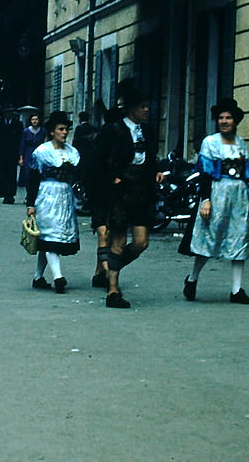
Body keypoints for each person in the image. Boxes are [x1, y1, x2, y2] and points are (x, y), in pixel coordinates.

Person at [92, 83, 162, 308]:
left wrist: (156, 172)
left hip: (142, 190)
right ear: (131, 108)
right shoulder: (113, 130)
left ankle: (112, 266)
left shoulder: (148, 131)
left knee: (141, 242)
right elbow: (97, 162)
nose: (147, 110)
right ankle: (113, 291)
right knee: (118, 239)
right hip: (120, 190)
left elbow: (151, 157)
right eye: (142, 106)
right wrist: (110, 178)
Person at [179, 99, 249, 304]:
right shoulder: (210, 142)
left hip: (238, 195)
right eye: (221, 117)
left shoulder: (241, 143)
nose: (224, 121)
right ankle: (192, 279)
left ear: (235, 120)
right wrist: (205, 199)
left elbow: (246, 174)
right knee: (209, 237)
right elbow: (204, 174)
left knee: (239, 238)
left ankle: (236, 289)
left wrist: (248, 195)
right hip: (217, 192)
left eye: (228, 117)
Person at [25, 111, 81, 293]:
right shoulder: (42, 152)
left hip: (65, 195)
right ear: (51, 131)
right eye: (60, 129)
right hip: (47, 194)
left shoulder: (72, 152)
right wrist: (31, 203)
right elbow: (32, 178)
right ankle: (58, 277)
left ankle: (37, 277)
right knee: (50, 235)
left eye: (66, 129)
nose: (64, 133)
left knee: (49, 237)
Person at [85, 105, 123, 289]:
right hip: (101, 192)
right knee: (104, 233)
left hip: (109, 194)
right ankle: (107, 273)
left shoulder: (115, 142)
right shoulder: (104, 141)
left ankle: (99, 271)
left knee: (108, 235)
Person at [0, 105, 23, 204]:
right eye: (6, 112)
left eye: (10, 112)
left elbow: (19, 140)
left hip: (12, 153)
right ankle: (4, 194)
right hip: (1, 153)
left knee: (12, 175)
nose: (8, 114)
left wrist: (19, 155)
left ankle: (11, 195)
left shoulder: (17, 124)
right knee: (3, 175)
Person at [18, 112, 45, 195]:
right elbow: (22, 144)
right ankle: (28, 194)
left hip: (39, 154)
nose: (34, 121)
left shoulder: (43, 131)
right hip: (28, 154)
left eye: (36, 119)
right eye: (33, 119)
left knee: (38, 174)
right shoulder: (26, 131)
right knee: (28, 175)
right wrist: (21, 158)